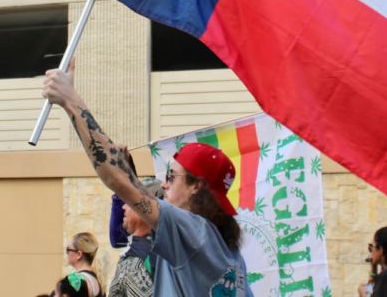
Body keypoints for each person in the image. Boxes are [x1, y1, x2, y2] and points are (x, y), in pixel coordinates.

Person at [43, 62, 252, 296]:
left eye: (172, 176)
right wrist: (128, 175)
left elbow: (117, 180)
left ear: (197, 186)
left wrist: (70, 100)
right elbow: (125, 185)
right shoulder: (230, 255)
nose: (164, 184)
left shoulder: (193, 231)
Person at [108, 178, 164, 297]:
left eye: (129, 201)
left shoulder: (136, 265)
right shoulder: (168, 249)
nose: (123, 207)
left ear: (144, 210)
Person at [66, 231, 104, 297]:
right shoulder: (94, 279)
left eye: (68, 249)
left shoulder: (75, 280)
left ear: (79, 254)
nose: (67, 253)